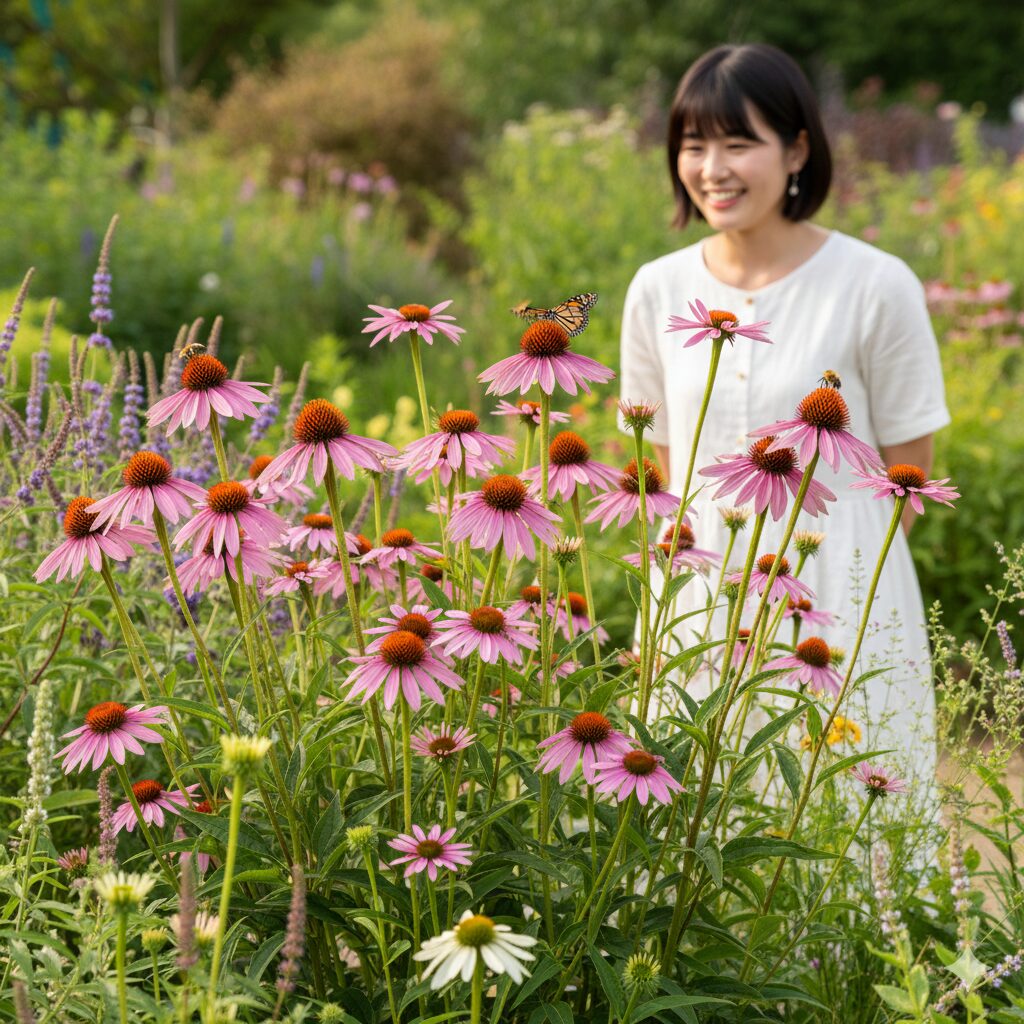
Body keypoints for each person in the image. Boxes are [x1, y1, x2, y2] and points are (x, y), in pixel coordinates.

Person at [618, 44, 951, 793]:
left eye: (740, 144)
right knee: (690, 836)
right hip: (696, 602)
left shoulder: (874, 285)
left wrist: (832, 582)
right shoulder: (657, 290)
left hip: (839, 600)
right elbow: (660, 467)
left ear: (798, 147)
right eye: (694, 145)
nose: (713, 168)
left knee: (846, 822)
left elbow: (911, 474)